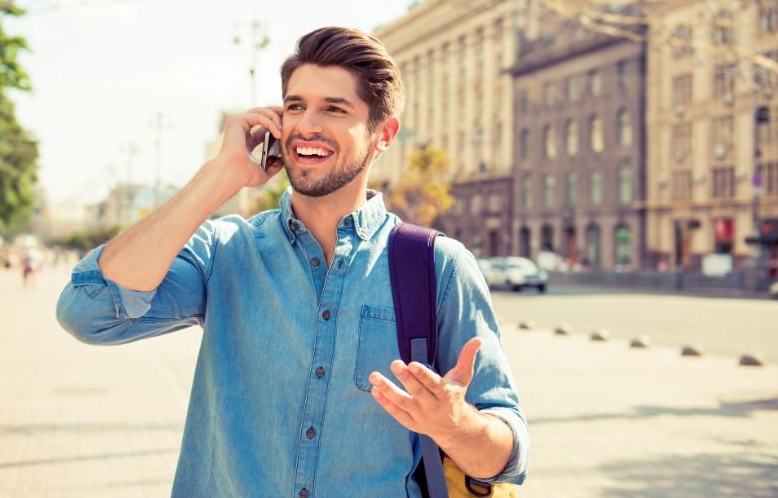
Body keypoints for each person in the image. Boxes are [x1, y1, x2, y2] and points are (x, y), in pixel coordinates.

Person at [56, 27, 528, 496]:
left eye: (334, 109)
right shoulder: (224, 252)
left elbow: (507, 459)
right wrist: (219, 177)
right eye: (296, 106)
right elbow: (88, 311)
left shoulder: (436, 266)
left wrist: (455, 427)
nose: (306, 124)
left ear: (383, 134)